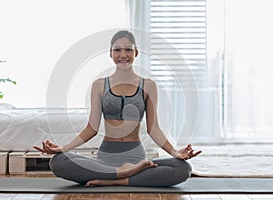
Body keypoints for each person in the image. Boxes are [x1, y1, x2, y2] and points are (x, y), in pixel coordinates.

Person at [34, 30, 201, 187]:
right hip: (105, 158)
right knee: (57, 161)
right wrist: (62, 149)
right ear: (111, 53)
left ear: (136, 52)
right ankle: (124, 174)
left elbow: (153, 129)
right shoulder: (99, 85)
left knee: (183, 168)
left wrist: (175, 153)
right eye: (117, 50)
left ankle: (115, 180)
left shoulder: (148, 85)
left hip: (136, 158)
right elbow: (91, 128)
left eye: (128, 49)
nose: (123, 55)